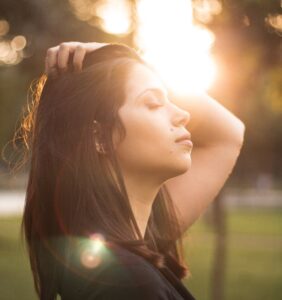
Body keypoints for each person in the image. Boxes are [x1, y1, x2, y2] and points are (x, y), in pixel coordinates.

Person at [20, 42, 245, 300]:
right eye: (153, 104)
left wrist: (127, 58)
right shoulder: (128, 283)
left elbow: (229, 134)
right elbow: (228, 135)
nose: (183, 114)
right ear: (100, 137)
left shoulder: (133, 240)